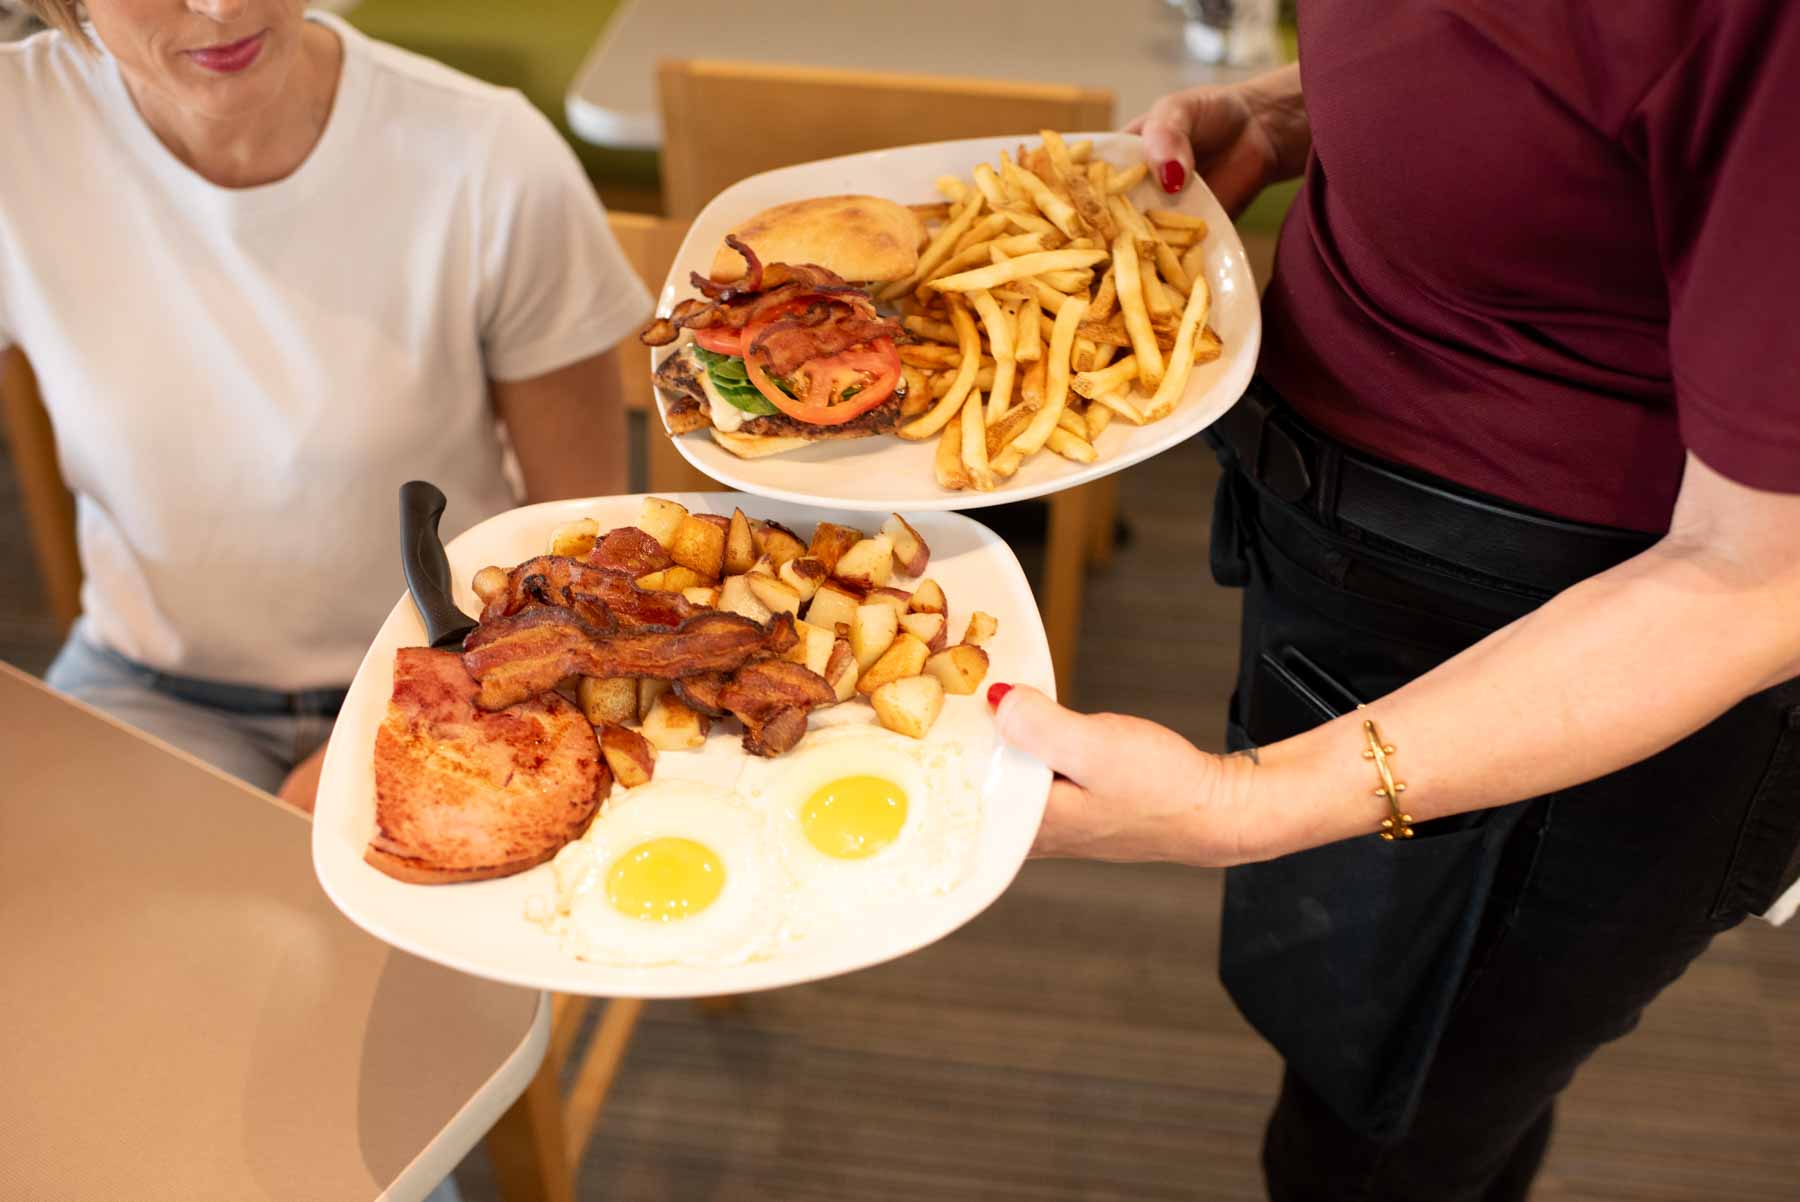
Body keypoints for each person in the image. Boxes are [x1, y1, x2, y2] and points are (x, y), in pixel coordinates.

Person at [990, 5, 1800, 1200]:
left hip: (1584, 659)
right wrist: (1302, 104)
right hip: (1344, 563)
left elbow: (1762, 572)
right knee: (1346, 1042)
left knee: (1387, 1129)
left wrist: (1241, 803)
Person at [2, 0, 650, 811]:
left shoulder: (486, 152)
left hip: (455, 662)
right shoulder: (18, 125)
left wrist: (416, 698)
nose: (219, 5)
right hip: (143, 687)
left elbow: (580, 545)